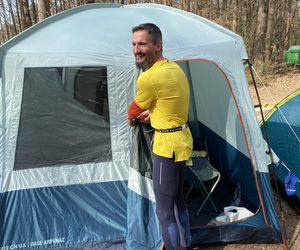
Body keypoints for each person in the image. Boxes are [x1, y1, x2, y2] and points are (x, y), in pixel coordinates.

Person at [127, 23, 193, 250]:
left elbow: (133, 110)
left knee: (163, 210)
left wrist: (132, 118)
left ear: (158, 45)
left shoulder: (148, 78)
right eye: (134, 44)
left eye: (142, 43)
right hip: (182, 140)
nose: (136, 49)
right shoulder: (175, 69)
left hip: (167, 147)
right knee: (178, 200)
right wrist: (153, 115)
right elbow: (169, 104)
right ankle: (186, 244)